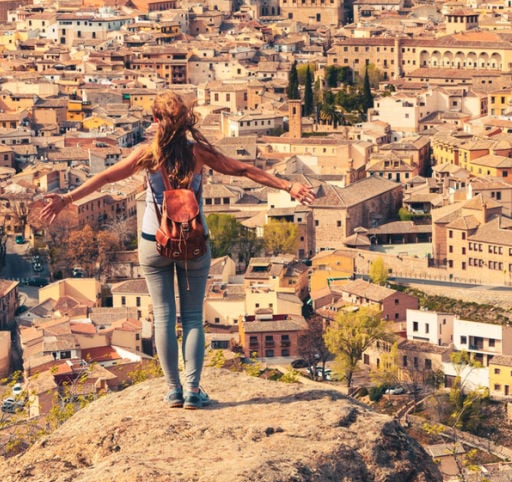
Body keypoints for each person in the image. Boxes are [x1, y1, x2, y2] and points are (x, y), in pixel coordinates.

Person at [41, 91, 316, 410]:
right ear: (184, 120)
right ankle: (192, 390)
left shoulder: (147, 155)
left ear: (155, 121)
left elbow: (104, 178)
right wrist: (288, 186)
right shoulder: (198, 152)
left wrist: (66, 199)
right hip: (194, 243)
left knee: (163, 316)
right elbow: (242, 170)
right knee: (193, 318)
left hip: (153, 242)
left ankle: (173, 390)